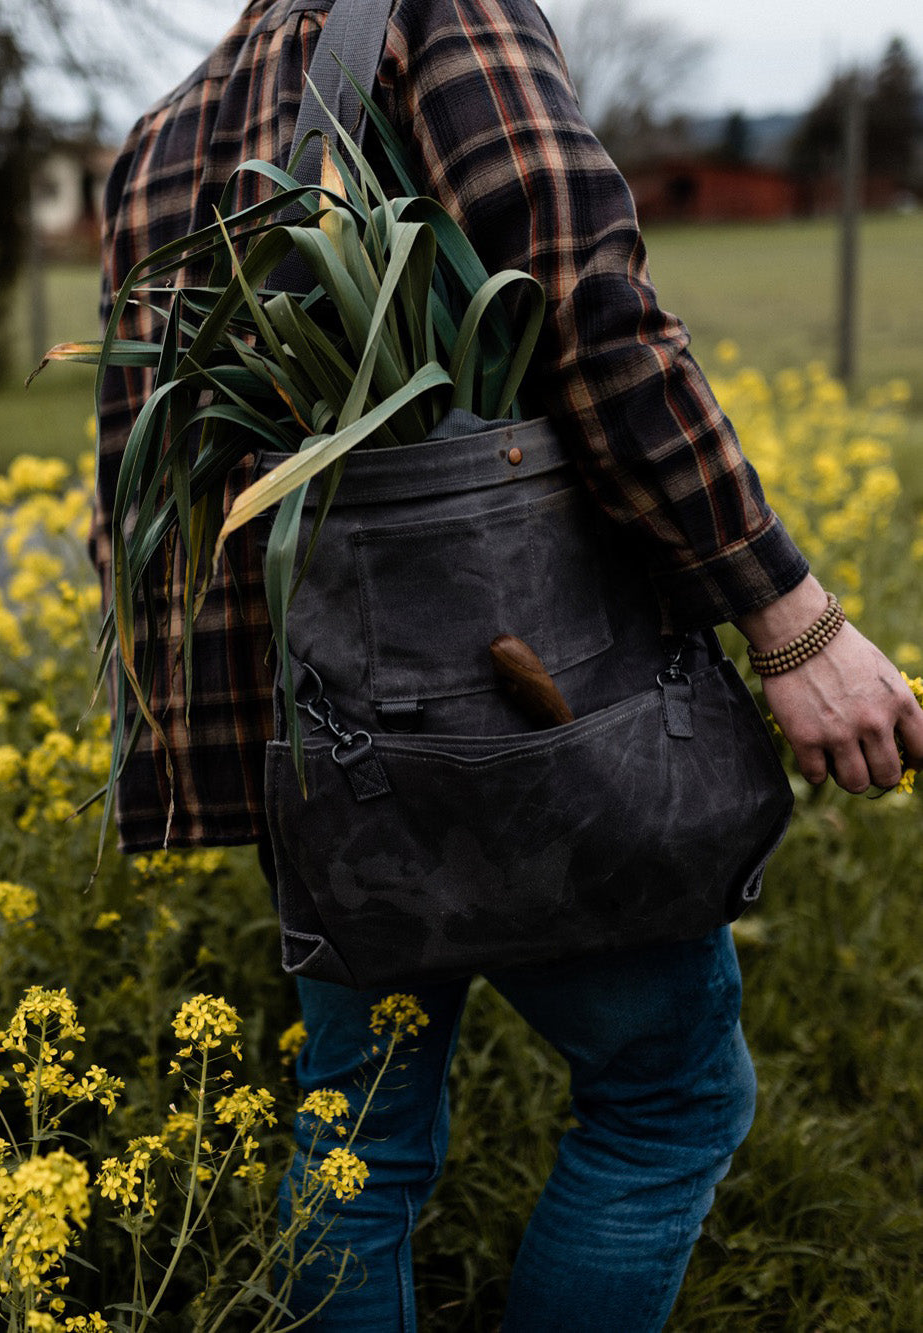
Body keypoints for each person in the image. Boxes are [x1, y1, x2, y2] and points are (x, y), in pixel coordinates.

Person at [92, 1, 923, 1327]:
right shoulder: (437, 10)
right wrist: (792, 622)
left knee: (356, 1145)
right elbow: (596, 321)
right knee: (665, 1101)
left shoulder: (165, 131)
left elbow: (154, 508)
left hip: (323, 739)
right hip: (533, 714)